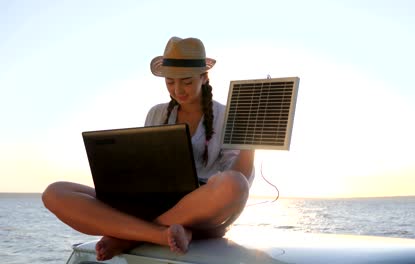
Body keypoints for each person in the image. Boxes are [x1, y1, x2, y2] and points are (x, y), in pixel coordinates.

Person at [42, 37, 255, 261]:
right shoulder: (157, 113)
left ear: (204, 77)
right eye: (170, 82)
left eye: (187, 81)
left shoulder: (228, 115)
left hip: (198, 206)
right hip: (152, 200)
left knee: (234, 185)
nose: (178, 89)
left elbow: (240, 179)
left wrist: (250, 144)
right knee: (55, 193)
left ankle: (130, 236)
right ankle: (159, 233)